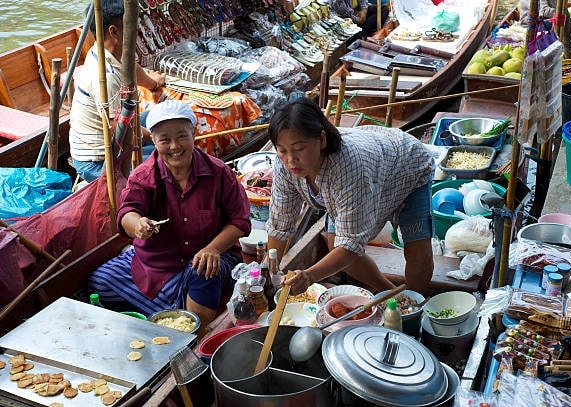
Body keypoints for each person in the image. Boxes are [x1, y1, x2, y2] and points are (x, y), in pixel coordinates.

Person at [88, 100, 251, 336]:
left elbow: (240, 221)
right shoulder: (144, 176)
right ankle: (178, 310)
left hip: (210, 258)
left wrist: (213, 248)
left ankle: (192, 330)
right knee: (98, 282)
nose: (174, 146)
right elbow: (127, 213)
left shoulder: (218, 173)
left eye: (181, 136)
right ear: (153, 141)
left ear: (193, 134)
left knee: (203, 271)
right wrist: (139, 225)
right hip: (156, 266)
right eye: (164, 139)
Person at [265, 97, 435, 295]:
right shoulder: (284, 165)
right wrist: (271, 267)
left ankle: (415, 301)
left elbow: (350, 246)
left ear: (321, 139)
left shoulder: (348, 167)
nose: (291, 159)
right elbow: (280, 224)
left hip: (407, 168)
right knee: (333, 243)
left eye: (299, 148)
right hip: (373, 165)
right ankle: (393, 296)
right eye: (282, 150)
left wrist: (309, 276)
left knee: (418, 254)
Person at [69, 0, 166, 183]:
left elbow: (131, 67)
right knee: (166, 164)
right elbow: (121, 130)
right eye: (132, 27)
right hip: (97, 161)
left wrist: (154, 83)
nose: (137, 33)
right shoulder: (105, 77)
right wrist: (161, 139)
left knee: (164, 116)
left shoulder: (111, 51)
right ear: (114, 31)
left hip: (122, 131)